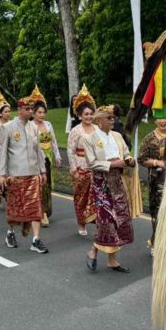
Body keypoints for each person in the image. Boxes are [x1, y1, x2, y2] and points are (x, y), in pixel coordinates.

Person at [83, 105, 134, 273]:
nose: (113, 121)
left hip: (117, 181)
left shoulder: (117, 136)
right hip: (101, 183)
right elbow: (91, 163)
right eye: (109, 118)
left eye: (114, 118)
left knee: (118, 219)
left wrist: (129, 160)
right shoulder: (89, 138)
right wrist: (112, 164)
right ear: (99, 120)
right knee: (107, 220)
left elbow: (126, 153)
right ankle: (93, 250)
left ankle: (112, 260)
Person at [0, 96, 48, 253]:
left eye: (32, 109)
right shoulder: (8, 128)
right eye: (27, 109)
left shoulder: (33, 128)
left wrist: (43, 170)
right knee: (15, 208)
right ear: (19, 110)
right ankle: (10, 232)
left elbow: (38, 151)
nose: (30, 111)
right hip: (15, 175)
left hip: (33, 174)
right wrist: (1, 174)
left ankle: (36, 239)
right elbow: (2, 152)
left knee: (35, 207)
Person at [67, 86, 97, 236]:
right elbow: (70, 151)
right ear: (80, 115)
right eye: (86, 114)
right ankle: (81, 223)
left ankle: (97, 221)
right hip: (81, 167)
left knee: (97, 197)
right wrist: (74, 169)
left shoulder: (97, 129)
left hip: (95, 168)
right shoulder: (76, 131)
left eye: (91, 114)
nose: (89, 117)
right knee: (81, 198)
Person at [139, 115, 166, 254]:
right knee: (158, 212)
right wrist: (156, 163)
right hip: (157, 180)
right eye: (159, 118)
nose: (163, 121)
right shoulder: (149, 138)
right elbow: (141, 158)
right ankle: (156, 243)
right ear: (155, 119)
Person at [30, 87, 62, 227]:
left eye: (43, 112)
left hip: (48, 159)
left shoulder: (48, 125)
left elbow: (53, 141)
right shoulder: (30, 126)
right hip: (36, 160)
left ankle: (46, 209)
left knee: (47, 185)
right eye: (39, 112)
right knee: (39, 185)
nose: (42, 115)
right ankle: (40, 213)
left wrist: (58, 156)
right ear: (34, 113)